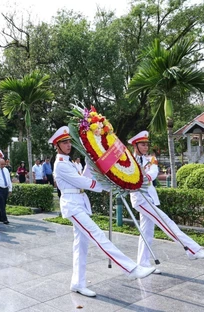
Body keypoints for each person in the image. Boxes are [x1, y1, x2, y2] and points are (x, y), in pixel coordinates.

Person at [50, 126, 155, 297]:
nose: (69, 145)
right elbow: (82, 182)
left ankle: (77, 283)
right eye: (64, 142)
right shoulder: (60, 165)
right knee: (97, 235)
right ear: (57, 145)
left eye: (69, 141)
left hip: (79, 203)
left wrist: (93, 161)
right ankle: (130, 268)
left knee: (81, 245)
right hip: (72, 204)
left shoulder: (68, 161)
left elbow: (85, 176)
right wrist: (104, 186)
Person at [128, 131, 204, 271]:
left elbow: (152, 174)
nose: (146, 147)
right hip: (140, 199)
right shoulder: (129, 161)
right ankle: (192, 249)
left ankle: (143, 263)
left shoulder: (149, 160)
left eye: (147, 144)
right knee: (166, 222)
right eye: (142, 144)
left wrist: (143, 175)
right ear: (135, 145)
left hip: (150, 198)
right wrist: (142, 175)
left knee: (147, 232)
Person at [0, 158, 12, 224]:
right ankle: (4, 218)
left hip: (5, 188)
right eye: (2, 164)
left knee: (4, 203)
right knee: (1, 203)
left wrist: (10, 189)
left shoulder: (6, 170)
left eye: (4, 164)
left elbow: (9, 180)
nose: (3, 165)